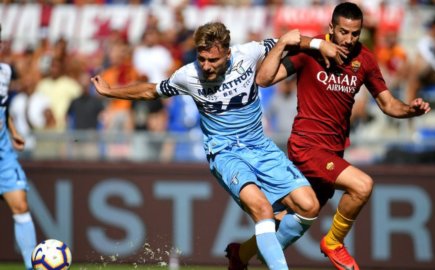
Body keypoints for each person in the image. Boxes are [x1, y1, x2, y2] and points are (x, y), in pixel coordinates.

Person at [91, 21, 343, 270]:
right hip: (225, 154)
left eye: (213, 60)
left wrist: (320, 44)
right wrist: (111, 91)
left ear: (228, 53)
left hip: (260, 146)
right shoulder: (188, 76)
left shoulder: (249, 53)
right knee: (263, 210)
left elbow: (289, 39)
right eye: (202, 59)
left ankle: (242, 254)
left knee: (309, 207)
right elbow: (150, 91)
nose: (206, 66)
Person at [231, 2, 432, 270]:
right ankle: (334, 242)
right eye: (343, 32)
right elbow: (264, 79)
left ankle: (240, 255)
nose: (349, 39)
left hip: (334, 150)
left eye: (355, 33)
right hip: (307, 147)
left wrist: (410, 110)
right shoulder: (310, 51)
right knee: (362, 186)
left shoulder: (366, 60)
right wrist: (285, 45)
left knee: (296, 219)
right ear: (331, 28)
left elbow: (387, 104)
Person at [0, 24, 37, 270]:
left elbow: (3, 107)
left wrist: (13, 131)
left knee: (21, 205)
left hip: (3, 153)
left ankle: (30, 266)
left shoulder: (4, 71)